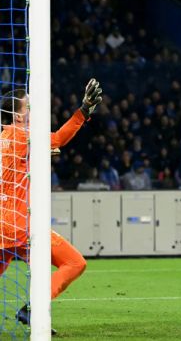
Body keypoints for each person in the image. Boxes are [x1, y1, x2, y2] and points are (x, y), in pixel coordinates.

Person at [1, 79, 102, 333]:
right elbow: (58, 138)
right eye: (29, 108)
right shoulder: (23, 136)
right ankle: (32, 310)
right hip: (20, 224)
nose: (33, 112)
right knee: (75, 263)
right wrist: (84, 111)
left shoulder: (5, 137)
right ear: (17, 115)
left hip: (2, 223)